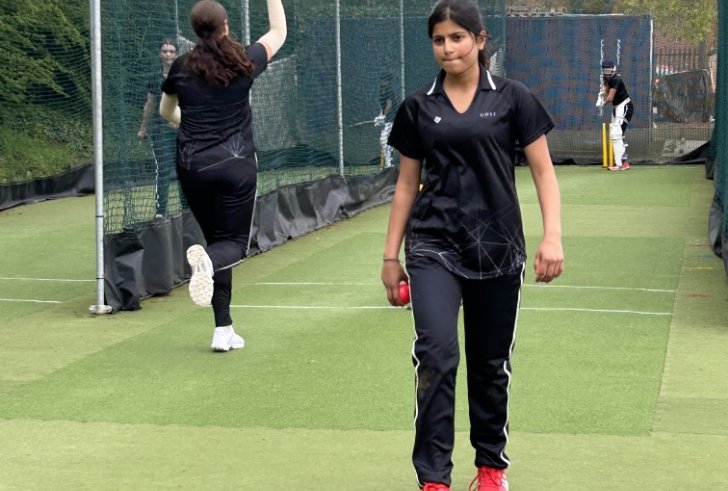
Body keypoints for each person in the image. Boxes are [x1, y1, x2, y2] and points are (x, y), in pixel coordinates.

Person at [380, 1, 564, 490]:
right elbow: (405, 185)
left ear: (480, 40)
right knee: (436, 354)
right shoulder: (419, 106)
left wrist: (552, 236)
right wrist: (390, 256)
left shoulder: (513, 99)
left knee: (490, 363)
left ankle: (490, 468)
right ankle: (434, 478)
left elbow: (544, 171)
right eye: (439, 40)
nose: (448, 48)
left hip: (499, 248)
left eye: (457, 38)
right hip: (433, 246)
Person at [159, 0, 286, 352]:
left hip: (192, 167)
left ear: (196, 31)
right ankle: (208, 264)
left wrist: (194, 129)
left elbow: (165, 110)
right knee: (229, 246)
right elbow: (279, 32)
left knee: (215, 240)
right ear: (226, 26)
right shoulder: (243, 61)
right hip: (236, 167)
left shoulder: (181, 67)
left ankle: (223, 328)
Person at [137, 38, 179, 217]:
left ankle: (187, 207)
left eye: (171, 51)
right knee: (164, 168)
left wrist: (179, 120)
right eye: (164, 51)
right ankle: (161, 210)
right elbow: (150, 104)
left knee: (185, 168)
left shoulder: (185, 75)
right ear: (160, 54)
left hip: (183, 130)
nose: (168, 54)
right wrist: (143, 129)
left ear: (176, 54)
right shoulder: (154, 78)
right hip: (160, 130)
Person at [596, 59, 634, 171]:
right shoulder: (606, 79)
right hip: (617, 107)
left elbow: (611, 97)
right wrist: (601, 96)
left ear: (613, 69)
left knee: (617, 134)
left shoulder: (616, 79)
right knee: (615, 135)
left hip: (625, 106)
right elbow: (606, 92)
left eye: (609, 69)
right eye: (605, 70)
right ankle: (621, 162)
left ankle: (622, 163)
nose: (607, 72)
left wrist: (603, 103)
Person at [375, 73, 397, 168]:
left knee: (384, 140)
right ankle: (389, 163)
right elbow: (382, 105)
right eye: (381, 80)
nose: (382, 82)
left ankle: (389, 163)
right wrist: (380, 115)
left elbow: (389, 105)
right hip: (386, 119)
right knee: (384, 141)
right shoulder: (381, 90)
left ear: (388, 82)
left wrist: (384, 116)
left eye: (384, 80)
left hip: (392, 118)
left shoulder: (389, 90)